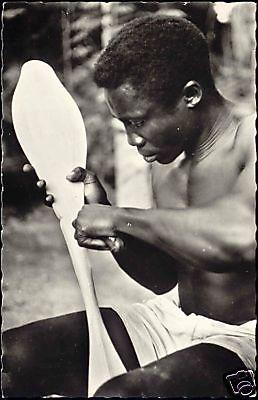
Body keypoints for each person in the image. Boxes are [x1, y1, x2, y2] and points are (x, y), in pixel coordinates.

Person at [3, 15, 256, 397]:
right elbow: (166, 279)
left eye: (138, 122)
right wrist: (115, 234)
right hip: (169, 320)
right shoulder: (168, 163)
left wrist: (120, 217)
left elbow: (241, 239)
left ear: (190, 95)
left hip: (244, 339)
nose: (132, 140)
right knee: (10, 358)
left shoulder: (251, 139)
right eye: (124, 125)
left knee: (119, 395)